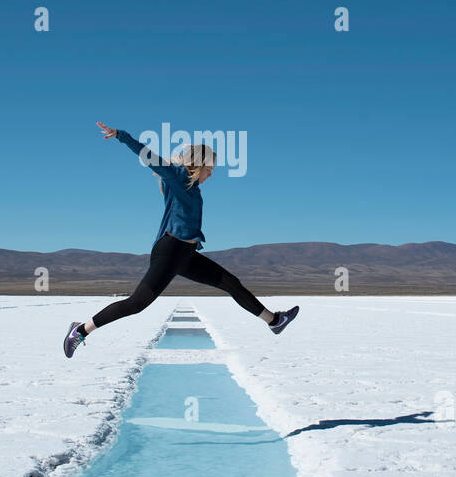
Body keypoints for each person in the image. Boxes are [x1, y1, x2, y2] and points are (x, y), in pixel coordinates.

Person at [63, 121, 299, 357]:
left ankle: (274, 321)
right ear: (199, 164)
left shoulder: (195, 189)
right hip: (170, 249)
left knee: (231, 283)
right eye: (210, 169)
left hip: (186, 254)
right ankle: (81, 330)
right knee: (137, 303)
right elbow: (150, 157)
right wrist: (121, 136)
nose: (211, 174)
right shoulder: (177, 177)